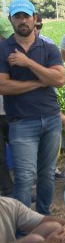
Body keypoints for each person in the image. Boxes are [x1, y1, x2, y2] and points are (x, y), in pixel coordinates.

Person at [0, 0, 65, 215]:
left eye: (26, 16)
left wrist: (28, 63)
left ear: (35, 18)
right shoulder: (3, 49)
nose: (22, 21)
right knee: (25, 176)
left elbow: (59, 80)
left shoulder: (48, 47)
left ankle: (43, 219)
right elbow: (3, 86)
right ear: (10, 20)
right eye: (17, 16)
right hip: (22, 122)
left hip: (51, 118)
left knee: (46, 174)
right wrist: (39, 81)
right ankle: (21, 226)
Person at [0, 18, 13, 197]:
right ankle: (9, 191)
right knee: (1, 157)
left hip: (11, 110)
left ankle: (17, 189)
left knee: (19, 151)